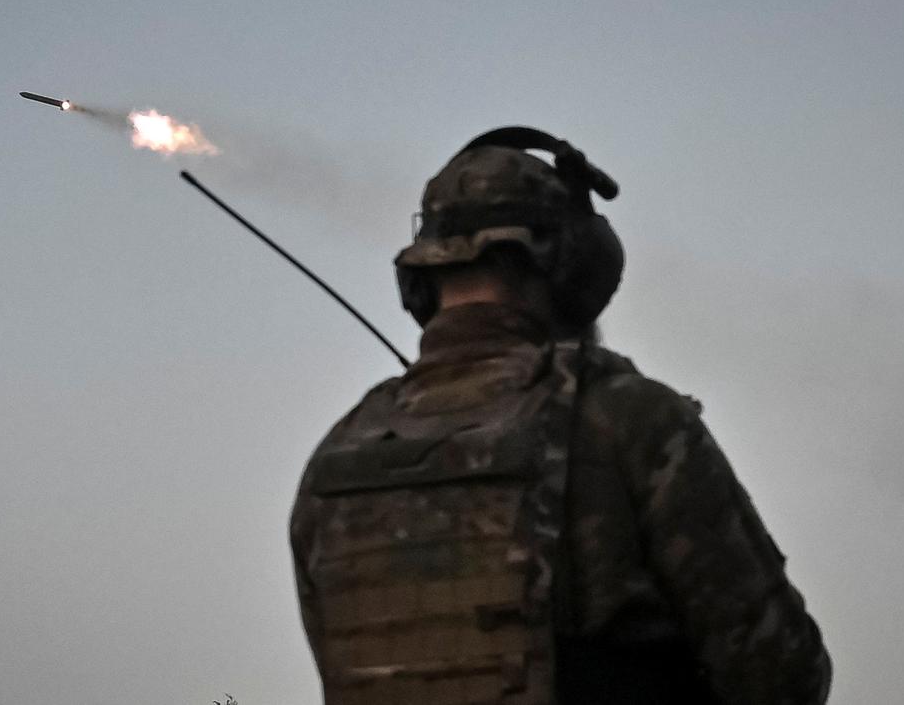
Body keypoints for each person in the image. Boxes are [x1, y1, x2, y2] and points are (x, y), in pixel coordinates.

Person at [289, 128, 831, 705]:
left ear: (420, 280)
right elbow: (781, 676)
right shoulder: (629, 422)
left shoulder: (339, 456)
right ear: (570, 265)